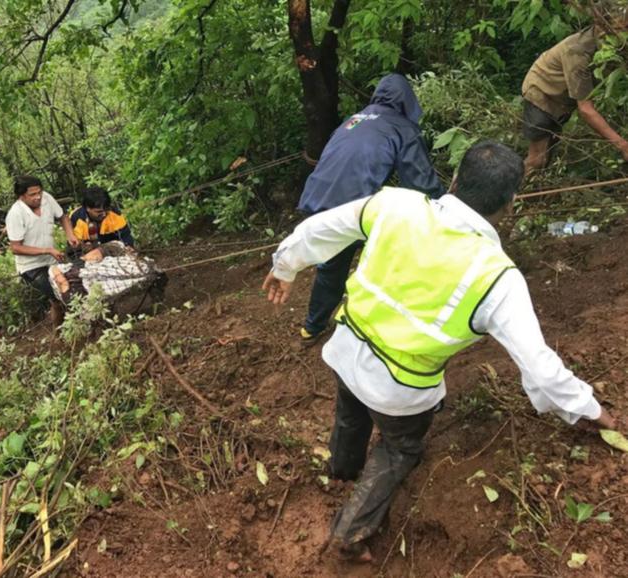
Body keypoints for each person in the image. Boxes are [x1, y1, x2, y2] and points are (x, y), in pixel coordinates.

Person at [262, 141, 617, 560]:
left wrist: (284, 266)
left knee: (351, 407)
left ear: (453, 179)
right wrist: (591, 410)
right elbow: (539, 368)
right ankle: (351, 531)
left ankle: (342, 470)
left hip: (345, 349)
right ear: (510, 203)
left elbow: (322, 229)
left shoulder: (395, 205)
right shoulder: (497, 276)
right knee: (399, 448)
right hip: (400, 392)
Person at [296, 73, 444, 344]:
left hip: (318, 201)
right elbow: (422, 184)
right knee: (391, 253)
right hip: (355, 206)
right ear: (407, 101)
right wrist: (444, 207)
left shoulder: (351, 121)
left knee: (331, 266)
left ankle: (312, 328)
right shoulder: (401, 127)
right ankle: (383, 322)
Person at [521, 4, 628, 174]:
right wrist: (622, 144)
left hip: (563, 99)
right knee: (538, 159)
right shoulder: (578, 53)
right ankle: (509, 195)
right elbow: (586, 109)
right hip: (542, 92)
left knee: (549, 156)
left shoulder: (617, 45)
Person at [5, 175, 80, 325]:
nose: (37, 197)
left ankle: (66, 330)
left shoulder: (46, 198)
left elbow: (62, 217)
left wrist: (70, 234)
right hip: (31, 266)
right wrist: (47, 250)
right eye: (32, 194)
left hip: (51, 259)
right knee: (59, 296)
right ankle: (63, 333)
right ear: (21, 196)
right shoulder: (16, 214)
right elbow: (16, 247)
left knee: (70, 289)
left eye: (39, 192)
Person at [69, 186, 134, 248]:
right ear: (87, 208)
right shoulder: (76, 217)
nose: (104, 214)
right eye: (99, 212)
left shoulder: (115, 214)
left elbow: (127, 240)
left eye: (106, 210)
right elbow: (73, 245)